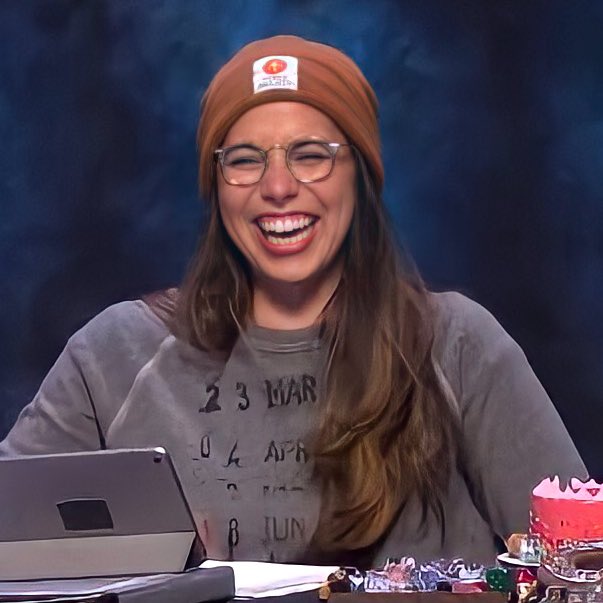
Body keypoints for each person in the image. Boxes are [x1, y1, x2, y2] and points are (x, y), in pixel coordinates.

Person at [0, 35, 587, 567]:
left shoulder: (458, 346)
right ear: (217, 186)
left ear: (359, 175)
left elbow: (584, 563)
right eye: (245, 160)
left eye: (310, 155)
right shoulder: (114, 357)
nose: (278, 187)